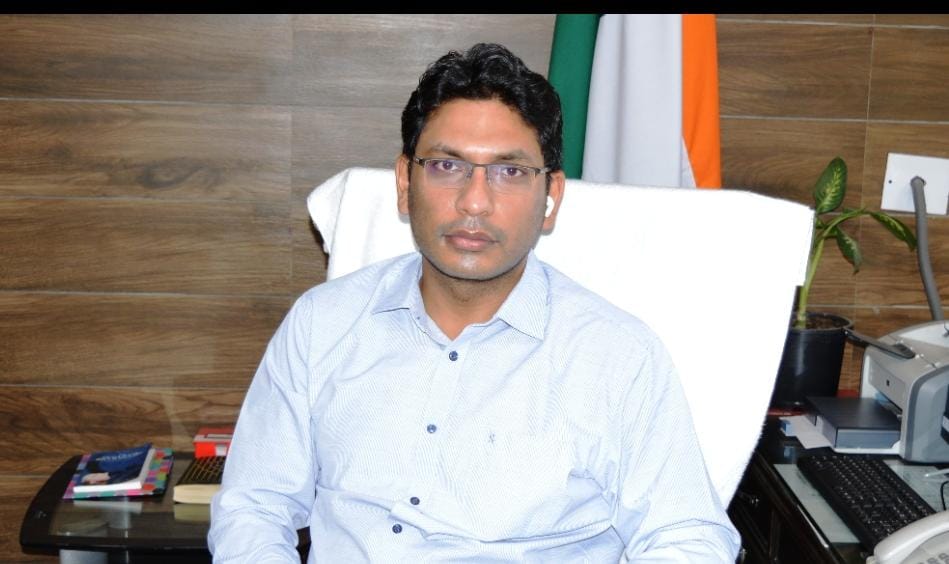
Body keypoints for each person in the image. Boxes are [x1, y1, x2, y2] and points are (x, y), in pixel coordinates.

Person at [208, 42, 740, 562]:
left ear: (551, 198)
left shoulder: (618, 356)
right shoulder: (322, 324)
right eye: (447, 166)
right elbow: (254, 507)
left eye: (510, 171)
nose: (475, 202)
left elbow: (688, 537)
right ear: (404, 183)